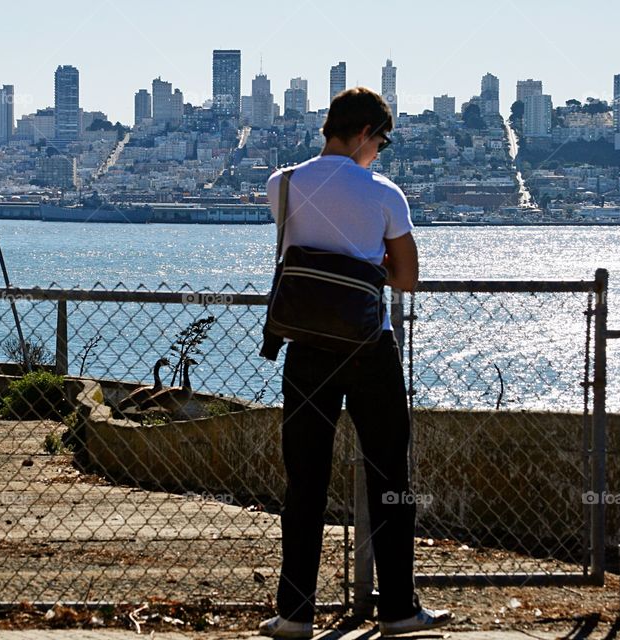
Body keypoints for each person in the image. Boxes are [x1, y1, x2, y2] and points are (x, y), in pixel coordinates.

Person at [258, 87, 451, 638]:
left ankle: (295, 613)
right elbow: (407, 278)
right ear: (366, 132)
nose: (379, 152)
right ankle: (396, 609)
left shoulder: (283, 183)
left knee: (306, 481)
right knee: (391, 475)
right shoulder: (384, 193)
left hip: (307, 346)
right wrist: (369, 268)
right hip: (370, 348)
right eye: (381, 142)